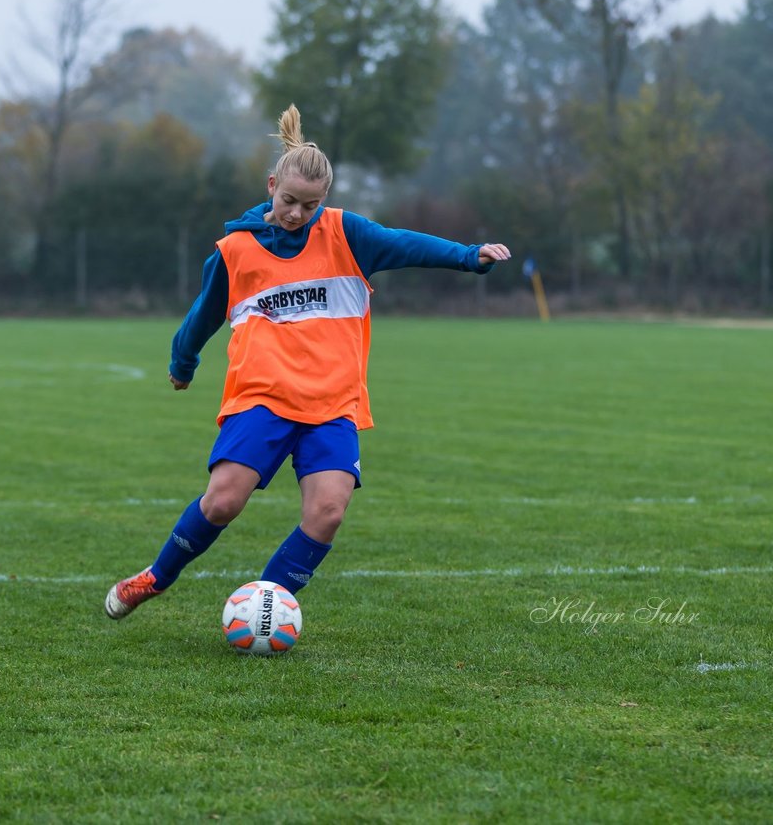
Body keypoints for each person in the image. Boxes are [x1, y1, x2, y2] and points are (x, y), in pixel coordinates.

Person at [104, 104, 512, 620]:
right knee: (223, 501)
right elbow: (203, 314)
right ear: (272, 184)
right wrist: (181, 362)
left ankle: (265, 607)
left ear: (326, 200)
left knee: (327, 512)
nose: (297, 213)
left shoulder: (347, 234)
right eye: (289, 200)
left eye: (310, 205)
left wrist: (468, 255)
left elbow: (407, 245)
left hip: (333, 403)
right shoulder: (236, 250)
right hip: (263, 397)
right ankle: (154, 579)